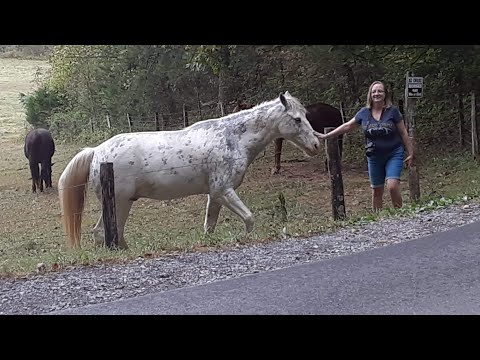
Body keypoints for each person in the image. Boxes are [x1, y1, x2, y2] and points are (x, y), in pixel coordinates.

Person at [315, 80, 414, 211]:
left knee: (392, 186)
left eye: (380, 91)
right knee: (376, 190)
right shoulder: (364, 113)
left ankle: (400, 214)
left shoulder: (393, 112)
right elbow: (347, 126)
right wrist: (326, 136)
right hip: (374, 156)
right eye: (374, 91)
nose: (377, 94)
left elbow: (403, 133)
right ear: (370, 95)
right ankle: (378, 219)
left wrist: (411, 153)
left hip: (393, 153)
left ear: (385, 94)